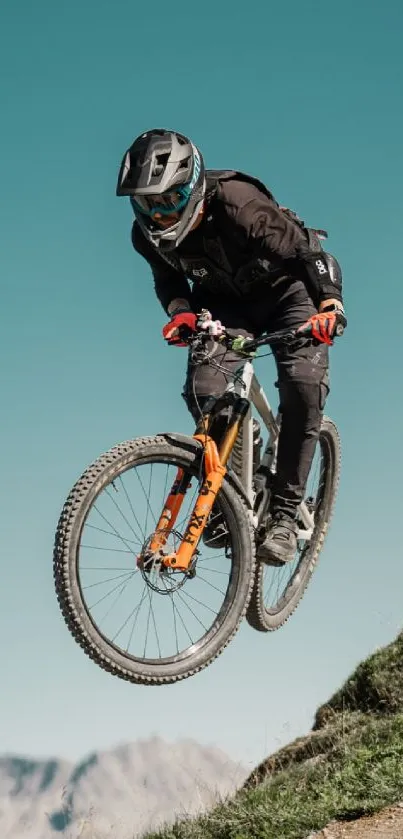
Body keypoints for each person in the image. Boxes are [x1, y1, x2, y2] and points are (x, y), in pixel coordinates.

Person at [116, 128, 347, 565]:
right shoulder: (143, 235)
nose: (160, 214)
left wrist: (330, 305)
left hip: (289, 295)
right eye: (148, 203)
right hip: (224, 304)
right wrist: (181, 311)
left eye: (168, 201)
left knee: (302, 385)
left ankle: (282, 513)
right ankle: (231, 491)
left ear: (193, 185)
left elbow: (310, 255)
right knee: (206, 394)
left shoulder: (241, 206)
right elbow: (167, 279)